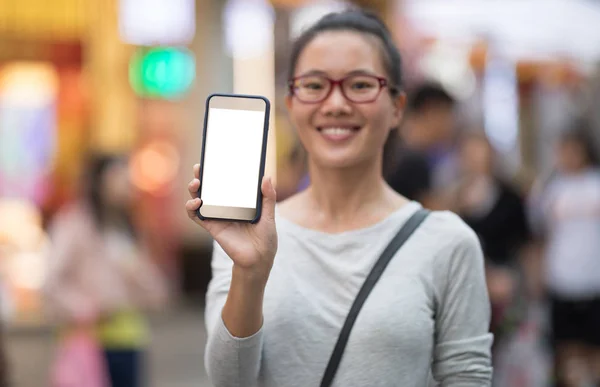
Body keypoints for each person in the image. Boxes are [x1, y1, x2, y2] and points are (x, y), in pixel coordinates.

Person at [186, 10, 493, 386]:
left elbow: (467, 377)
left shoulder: (448, 242)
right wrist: (250, 273)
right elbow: (230, 381)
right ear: (291, 103)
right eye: (314, 85)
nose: (335, 104)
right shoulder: (247, 239)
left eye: (360, 85)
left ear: (397, 107)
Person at [44, 154, 168, 387]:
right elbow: (52, 281)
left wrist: (139, 274)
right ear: (99, 181)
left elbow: (157, 290)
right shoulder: (74, 223)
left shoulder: (130, 228)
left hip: (129, 338)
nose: (125, 184)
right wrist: (86, 308)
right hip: (87, 341)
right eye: (117, 177)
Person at [530, 125, 600, 387]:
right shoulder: (550, 188)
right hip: (562, 281)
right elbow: (538, 236)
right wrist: (538, 276)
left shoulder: (596, 183)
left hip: (594, 281)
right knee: (567, 352)